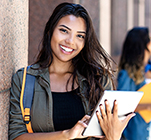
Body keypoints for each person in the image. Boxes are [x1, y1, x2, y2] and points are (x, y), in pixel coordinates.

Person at [9, 2, 134, 140]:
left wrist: (114, 136)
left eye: (80, 36)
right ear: (50, 30)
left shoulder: (99, 78)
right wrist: (65, 135)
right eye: (64, 31)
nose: (70, 41)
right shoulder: (25, 79)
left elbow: (108, 133)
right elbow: (16, 135)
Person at [117, 27, 151, 140]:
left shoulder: (143, 71)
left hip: (143, 131)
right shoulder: (126, 74)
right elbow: (121, 105)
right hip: (132, 134)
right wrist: (147, 106)